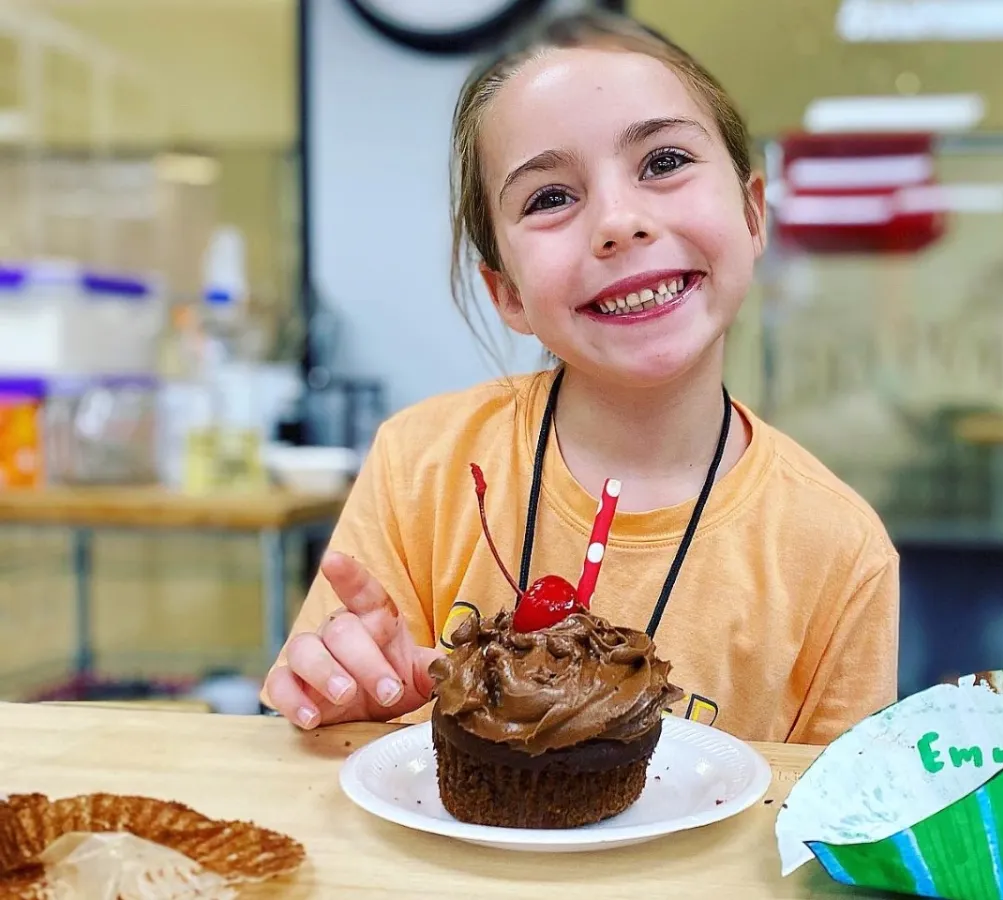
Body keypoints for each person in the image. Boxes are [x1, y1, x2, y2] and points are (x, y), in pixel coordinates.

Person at [262, 10, 899, 745]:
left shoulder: (839, 551)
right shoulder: (423, 467)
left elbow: (833, 834)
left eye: (663, 162)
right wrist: (350, 707)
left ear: (753, 215)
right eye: (550, 197)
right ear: (507, 293)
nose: (618, 222)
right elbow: (307, 750)